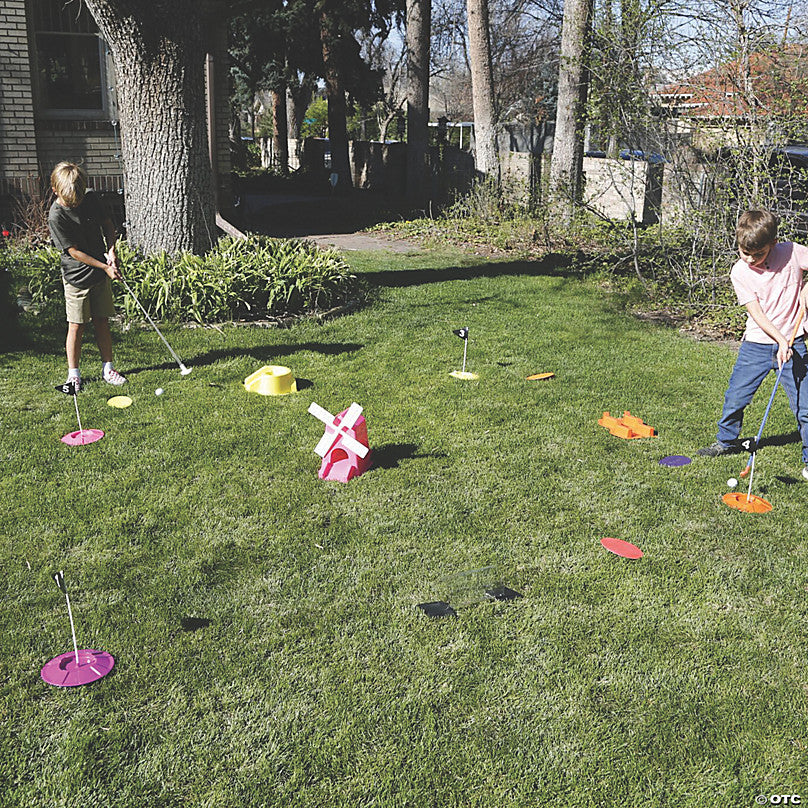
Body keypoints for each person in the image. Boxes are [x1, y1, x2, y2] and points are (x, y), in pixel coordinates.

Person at [698, 209, 808, 479]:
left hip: (797, 344)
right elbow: (756, 313)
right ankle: (726, 441)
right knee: (736, 397)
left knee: (805, 407)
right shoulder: (740, 272)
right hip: (758, 345)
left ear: (773, 243)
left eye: (757, 255)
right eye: (743, 252)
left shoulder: (792, 252)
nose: (749, 260)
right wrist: (781, 340)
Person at [48, 162, 126, 389]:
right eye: (72, 200)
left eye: (79, 198)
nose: (77, 203)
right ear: (56, 190)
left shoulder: (91, 198)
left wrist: (112, 251)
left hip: (100, 272)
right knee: (77, 325)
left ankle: (108, 369)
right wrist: (104, 267)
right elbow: (74, 252)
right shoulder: (56, 216)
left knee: (102, 320)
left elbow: (108, 225)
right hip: (76, 277)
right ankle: (73, 375)